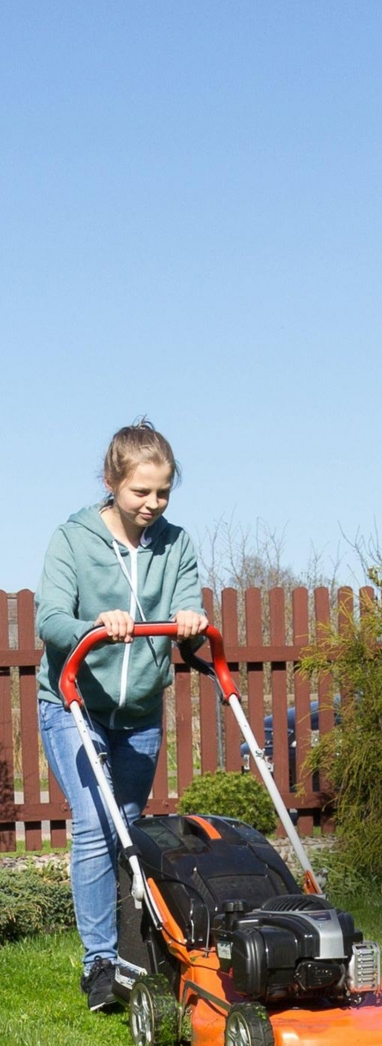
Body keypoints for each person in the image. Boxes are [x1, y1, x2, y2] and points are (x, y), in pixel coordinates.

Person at [36, 419, 207, 1011]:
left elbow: (190, 600)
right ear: (113, 482)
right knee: (91, 825)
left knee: (125, 831)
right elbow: (50, 618)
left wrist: (189, 618)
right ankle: (99, 965)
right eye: (141, 492)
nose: (152, 504)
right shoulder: (74, 539)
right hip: (72, 704)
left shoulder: (175, 542)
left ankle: (133, 952)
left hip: (139, 713)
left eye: (162, 492)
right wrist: (93, 625)